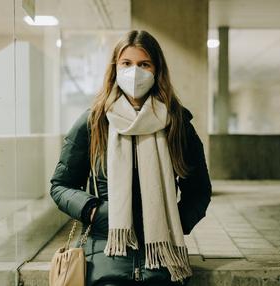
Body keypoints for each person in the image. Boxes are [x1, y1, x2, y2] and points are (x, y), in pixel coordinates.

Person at [50, 30, 211, 286]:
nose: (135, 72)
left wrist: (173, 222)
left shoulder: (176, 123)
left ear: (157, 70)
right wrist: (94, 211)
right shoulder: (94, 121)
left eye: (144, 64)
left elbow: (199, 189)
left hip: (162, 262)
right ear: (115, 69)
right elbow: (60, 185)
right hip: (105, 256)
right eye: (126, 63)